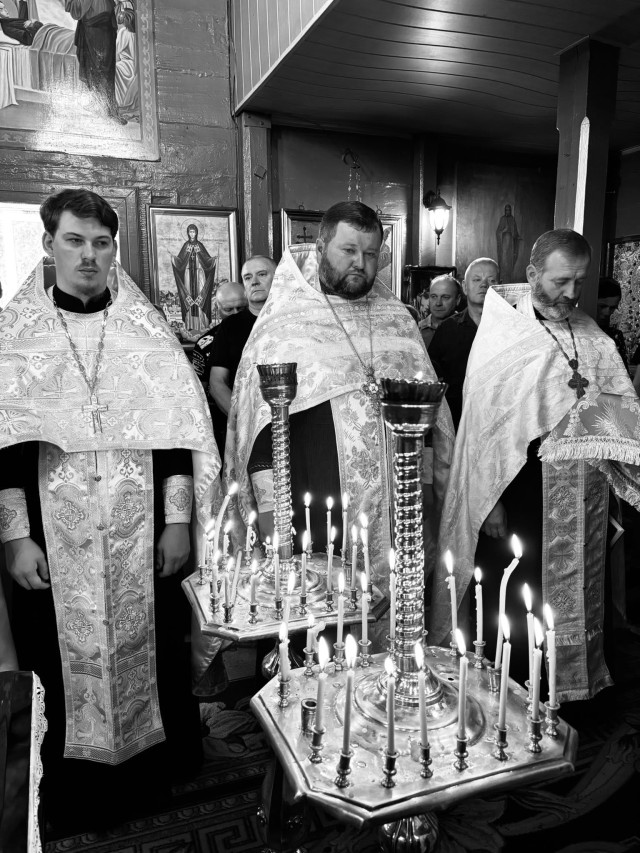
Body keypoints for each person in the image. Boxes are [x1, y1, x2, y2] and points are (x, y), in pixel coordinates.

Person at [0, 189, 221, 832]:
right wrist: (15, 536)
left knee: (153, 649)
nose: (89, 256)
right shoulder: (15, 339)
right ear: (49, 245)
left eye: (102, 243)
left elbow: (176, 436)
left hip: (140, 532)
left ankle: (154, 775)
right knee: (56, 661)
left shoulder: (144, 334)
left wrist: (177, 523)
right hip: (53, 539)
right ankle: (70, 794)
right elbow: (5, 451)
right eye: (75, 241)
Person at [431, 229, 640, 702]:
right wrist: (490, 502)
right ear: (532, 274)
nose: (571, 293)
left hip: (585, 495)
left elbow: (618, 408)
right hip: (521, 492)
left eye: (579, 282)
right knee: (519, 596)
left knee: (583, 591)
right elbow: (483, 432)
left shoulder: (593, 336)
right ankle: (515, 696)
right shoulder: (503, 335)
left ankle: (576, 690)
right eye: (560, 281)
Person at [225, 201, 454, 607]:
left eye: (371, 254)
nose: (360, 264)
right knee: (323, 616)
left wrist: (428, 495)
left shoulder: (398, 320)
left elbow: (430, 423)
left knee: (396, 617)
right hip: (314, 507)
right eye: (348, 250)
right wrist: (271, 520)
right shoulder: (283, 326)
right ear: (320, 249)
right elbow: (258, 432)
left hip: (397, 505)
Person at [208, 255, 276, 436]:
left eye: (262, 274)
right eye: (247, 277)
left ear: (278, 277)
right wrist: (243, 421)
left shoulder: (293, 321)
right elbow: (217, 382)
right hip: (244, 426)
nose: (254, 282)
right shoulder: (229, 327)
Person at [429, 258, 499, 427]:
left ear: (500, 286)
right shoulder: (447, 329)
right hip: (456, 421)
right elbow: (431, 377)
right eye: (477, 279)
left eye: (491, 280)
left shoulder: (511, 328)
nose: (484, 285)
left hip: (498, 420)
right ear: (465, 287)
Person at [192, 281, 247, 455]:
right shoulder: (205, 343)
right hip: (222, 421)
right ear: (218, 309)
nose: (235, 314)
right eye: (228, 309)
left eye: (241, 308)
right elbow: (200, 391)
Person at [65, 0, 121, 122]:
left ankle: (105, 108)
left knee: (97, 67)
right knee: (103, 68)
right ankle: (106, 106)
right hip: (104, 24)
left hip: (96, 28)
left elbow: (77, 11)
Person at [171, 223, 218, 334]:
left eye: (194, 232)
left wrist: (213, 260)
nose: (192, 234)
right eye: (190, 232)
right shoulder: (186, 245)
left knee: (201, 295)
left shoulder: (200, 245)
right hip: (188, 275)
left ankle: (202, 325)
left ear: (197, 233)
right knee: (189, 295)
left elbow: (206, 260)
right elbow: (180, 261)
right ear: (188, 233)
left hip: (199, 274)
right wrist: (174, 258)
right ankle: (190, 325)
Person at [418, 274, 462, 348]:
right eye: (434, 297)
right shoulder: (416, 330)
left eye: (445, 297)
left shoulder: (469, 330)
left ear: (457, 300)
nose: (438, 303)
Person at [597, 276, 628, 368]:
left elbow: (623, 372)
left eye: (612, 307)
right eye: (602, 306)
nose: (607, 312)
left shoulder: (615, 335)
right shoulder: (577, 330)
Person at [495, 203, 520, 283]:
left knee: (510, 262)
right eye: (506, 210)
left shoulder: (512, 219)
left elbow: (515, 231)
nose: (508, 211)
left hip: (511, 245)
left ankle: (509, 278)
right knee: (503, 261)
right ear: (505, 211)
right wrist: (504, 231)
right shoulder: (502, 219)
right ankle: (502, 278)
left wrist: (516, 236)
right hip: (504, 245)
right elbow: (498, 232)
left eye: (509, 210)